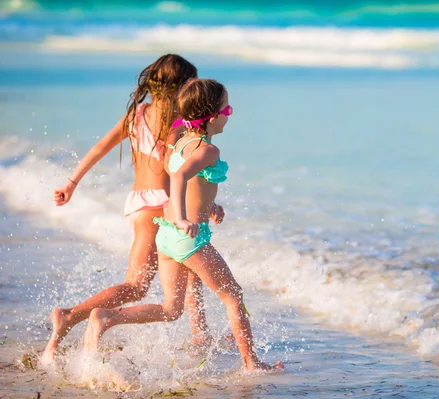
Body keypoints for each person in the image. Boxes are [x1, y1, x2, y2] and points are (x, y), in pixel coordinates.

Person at [83, 78, 283, 371]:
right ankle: (251, 362)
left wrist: (207, 205)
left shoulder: (180, 141)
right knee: (233, 296)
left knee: (170, 309)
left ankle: (106, 317)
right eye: (227, 110)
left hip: (166, 234)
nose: (230, 114)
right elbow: (178, 178)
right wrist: (183, 217)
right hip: (188, 237)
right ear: (214, 118)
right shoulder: (208, 151)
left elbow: (177, 172)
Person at [42, 55, 220, 364]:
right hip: (162, 207)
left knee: (187, 270)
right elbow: (174, 167)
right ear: (182, 88)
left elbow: (101, 147)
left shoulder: (138, 114)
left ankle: (199, 334)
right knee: (139, 285)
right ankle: (70, 316)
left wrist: (71, 183)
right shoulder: (178, 122)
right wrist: (205, 201)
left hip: (138, 203)